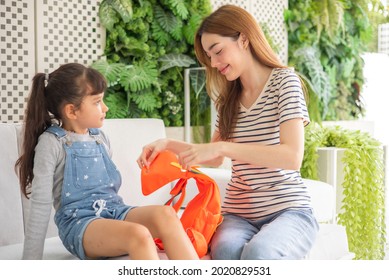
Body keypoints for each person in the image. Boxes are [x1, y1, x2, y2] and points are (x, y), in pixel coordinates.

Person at [137, 5, 319, 260]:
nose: (214, 63)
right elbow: (212, 158)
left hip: (288, 210)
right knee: (225, 251)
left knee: (260, 253)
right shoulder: (228, 100)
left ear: (243, 39)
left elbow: (291, 156)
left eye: (218, 51)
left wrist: (224, 147)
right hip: (238, 214)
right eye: (209, 57)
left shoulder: (284, 82)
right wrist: (166, 144)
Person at [15, 63, 198, 260]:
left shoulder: (100, 137)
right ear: (71, 111)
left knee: (167, 215)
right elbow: (40, 204)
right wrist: (29, 263)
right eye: (97, 102)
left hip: (114, 211)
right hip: (80, 225)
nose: (105, 107)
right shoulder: (51, 143)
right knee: (139, 234)